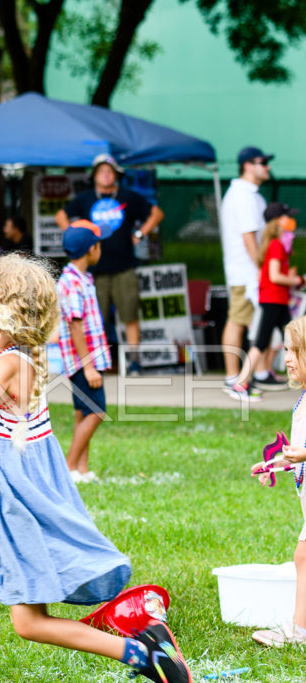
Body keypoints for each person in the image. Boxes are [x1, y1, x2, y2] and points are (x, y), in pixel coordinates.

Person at [0, 247, 191, 683]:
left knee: (28, 623)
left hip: (17, 508)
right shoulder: (19, 351)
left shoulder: (12, 362)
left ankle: (143, 654)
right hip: (6, 507)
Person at [55, 154, 163, 375]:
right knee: (96, 317)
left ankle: (134, 362)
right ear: (94, 176)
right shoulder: (86, 199)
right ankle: (98, 363)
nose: (106, 175)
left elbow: (156, 213)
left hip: (124, 266)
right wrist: (74, 235)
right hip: (94, 270)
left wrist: (141, 233)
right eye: (101, 171)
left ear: (116, 175)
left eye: (110, 171)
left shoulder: (128, 196)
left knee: (130, 314)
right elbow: (61, 215)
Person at [249, 316, 306, 647]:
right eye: (285, 348)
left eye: (295, 350)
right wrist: (273, 464)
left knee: (303, 557)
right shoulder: (302, 403)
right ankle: (299, 630)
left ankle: (299, 631)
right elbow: (297, 452)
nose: (286, 357)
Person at [227, 203, 302, 401]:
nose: (291, 221)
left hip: (279, 300)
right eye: (287, 217)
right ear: (278, 221)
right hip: (272, 301)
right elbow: (274, 276)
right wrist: (298, 281)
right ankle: (240, 384)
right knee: (261, 343)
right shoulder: (276, 244)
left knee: (295, 338)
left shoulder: (277, 244)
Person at [57, 220, 112, 483]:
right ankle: (68, 468)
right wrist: (88, 365)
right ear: (92, 249)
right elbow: (75, 325)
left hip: (84, 359)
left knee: (83, 412)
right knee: (96, 411)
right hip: (82, 361)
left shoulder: (80, 278)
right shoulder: (72, 283)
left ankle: (81, 468)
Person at [220, 146, 273, 399]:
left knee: (251, 323)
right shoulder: (241, 195)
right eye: (263, 162)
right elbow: (249, 238)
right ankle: (232, 379)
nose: (268, 167)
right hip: (244, 271)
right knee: (238, 321)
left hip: (250, 271)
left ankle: (256, 374)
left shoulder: (252, 195)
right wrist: (262, 269)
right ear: (248, 165)